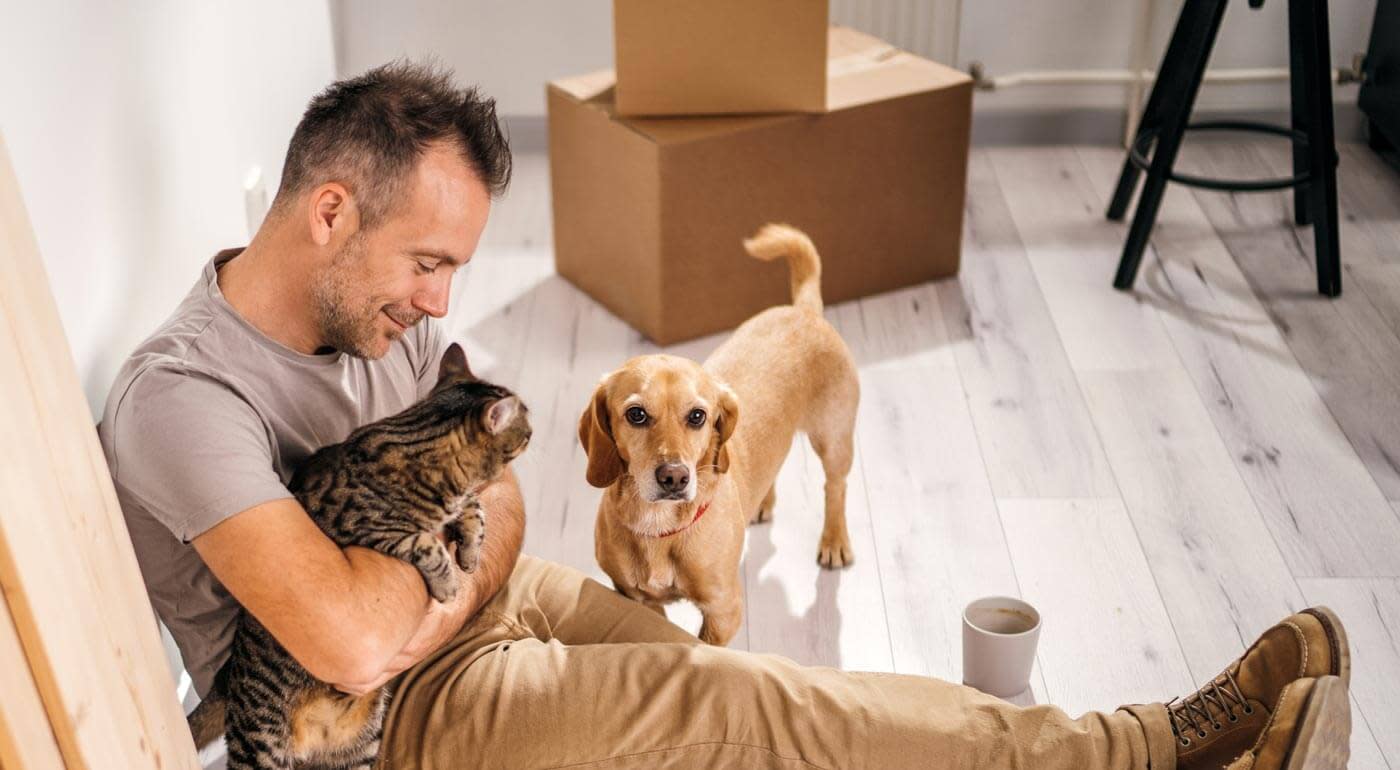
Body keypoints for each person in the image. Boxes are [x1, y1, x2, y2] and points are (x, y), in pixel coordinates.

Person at [98, 61, 1351, 770]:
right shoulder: (185, 399)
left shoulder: (387, 312)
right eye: (426, 262)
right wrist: (455, 563)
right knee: (748, 713)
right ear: (329, 212)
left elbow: (513, 484)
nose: (437, 302)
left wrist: (455, 560)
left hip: (492, 605)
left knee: (741, 690)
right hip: (385, 722)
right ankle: (1144, 750)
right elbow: (352, 646)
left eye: (452, 272)